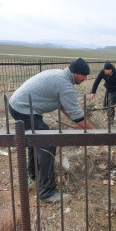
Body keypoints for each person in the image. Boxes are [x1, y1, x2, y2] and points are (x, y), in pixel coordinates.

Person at [9, 58, 96, 203]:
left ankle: (33, 176)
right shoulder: (65, 85)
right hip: (23, 109)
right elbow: (76, 113)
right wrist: (98, 133)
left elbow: (65, 107)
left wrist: (79, 124)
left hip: (17, 105)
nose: (86, 79)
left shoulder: (60, 75)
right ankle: (46, 193)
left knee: (35, 139)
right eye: (83, 76)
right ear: (74, 73)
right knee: (47, 142)